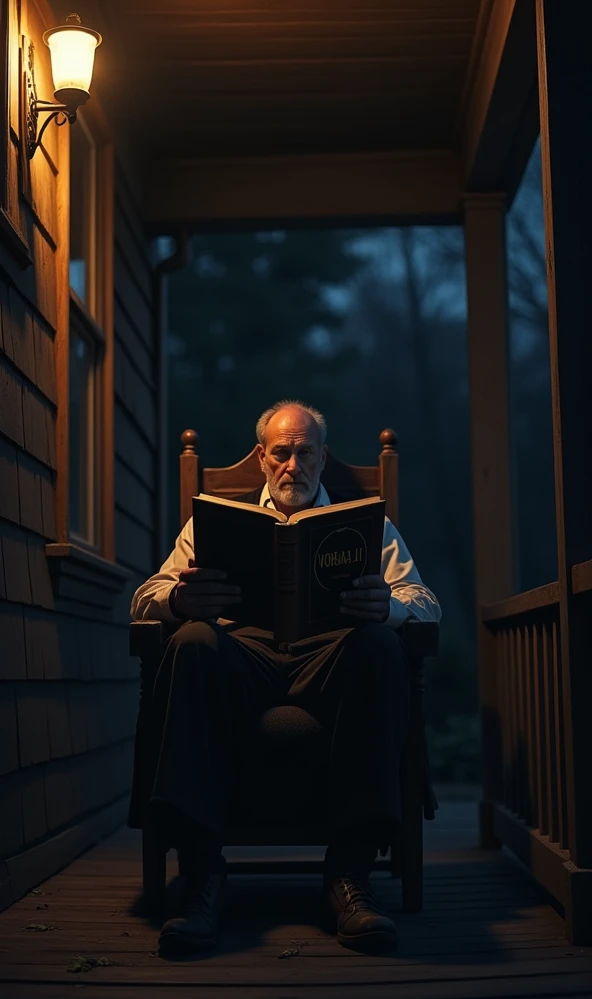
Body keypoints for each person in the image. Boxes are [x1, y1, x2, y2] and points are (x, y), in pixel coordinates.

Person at [131, 400, 441, 955]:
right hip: (242, 658)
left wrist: (388, 607)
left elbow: (425, 602)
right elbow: (145, 597)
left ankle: (349, 877)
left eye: (305, 452)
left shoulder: (370, 526)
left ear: (323, 458)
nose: (293, 465)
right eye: (282, 453)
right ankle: (202, 876)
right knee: (193, 641)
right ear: (262, 457)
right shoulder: (210, 525)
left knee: (378, 645)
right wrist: (180, 598)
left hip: (330, 659)